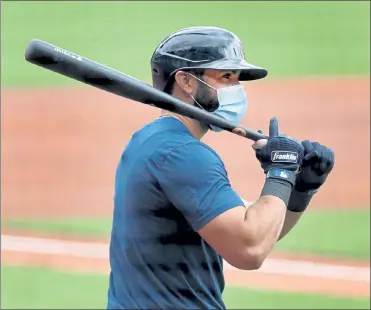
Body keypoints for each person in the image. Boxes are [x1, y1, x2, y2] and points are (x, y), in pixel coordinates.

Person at [106, 26, 335, 309]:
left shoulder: (152, 141)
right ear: (186, 81)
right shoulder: (183, 155)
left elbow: (251, 229)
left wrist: (299, 189)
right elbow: (249, 250)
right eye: (226, 76)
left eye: (237, 79)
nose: (236, 89)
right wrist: (281, 171)